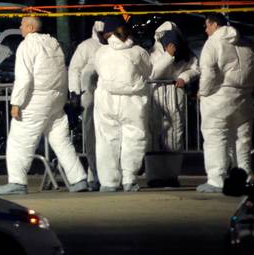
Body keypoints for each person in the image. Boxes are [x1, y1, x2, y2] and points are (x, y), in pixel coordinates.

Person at [0, 16, 89, 195]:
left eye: (22, 24)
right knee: (61, 141)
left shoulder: (26, 46)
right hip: (56, 101)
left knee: (19, 142)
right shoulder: (53, 44)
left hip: (35, 102)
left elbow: (24, 78)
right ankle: (79, 179)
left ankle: (17, 182)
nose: (20, 27)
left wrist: (16, 102)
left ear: (30, 27)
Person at [197, 13, 254, 193]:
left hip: (218, 98)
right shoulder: (246, 42)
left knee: (216, 137)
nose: (206, 30)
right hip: (243, 97)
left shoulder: (213, 43)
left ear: (214, 25)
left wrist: (204, 92)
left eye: (207, 25)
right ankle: (245, 174)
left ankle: (216, 179)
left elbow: (208, 72)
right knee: (242, 139)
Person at [91, 14, 152, 192]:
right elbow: (148, 71)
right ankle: (129, 179)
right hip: (133, 101)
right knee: (134, 140)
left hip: (106, 100)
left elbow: (98, 70)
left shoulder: (101, 52)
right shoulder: (139, 51)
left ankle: (109, 182)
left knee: (106, 141)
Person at [147, 22, 200, 187]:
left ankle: (171, 175)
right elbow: (152, 73)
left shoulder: (185, 51)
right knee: (154, 136)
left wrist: (185, 77)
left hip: (175, 96)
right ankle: (154, 176)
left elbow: (195, 68)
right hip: (156, 95)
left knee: (175, 136)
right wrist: (168, 57)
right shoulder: (152, 53)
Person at [68, 20, 106, 191]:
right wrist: (75, 92)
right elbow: (74, 69)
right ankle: (95, 174)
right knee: (91, 138)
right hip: (89, 98)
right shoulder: (86, 46)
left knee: (108, 139)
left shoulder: (112, 47)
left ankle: (103, 176)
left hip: (107, 98)